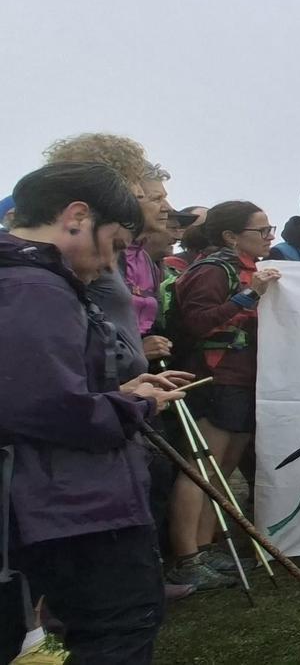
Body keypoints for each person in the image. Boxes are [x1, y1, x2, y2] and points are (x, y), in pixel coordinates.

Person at [0, 162, 187, 663]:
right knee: (119, 628)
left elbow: (35, 387)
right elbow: (48, 408)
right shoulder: (34, 286)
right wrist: (135, 404)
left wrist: (120, 389)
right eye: (116, 243)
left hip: (52, 498)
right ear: (77, 216)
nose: (110, 263)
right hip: (70, 503)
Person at [169, 201, 282, 588]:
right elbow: (196, 322)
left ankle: (207, 545)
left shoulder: (248, 269)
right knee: (201, 466)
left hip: (244, 376)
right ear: (232, 236)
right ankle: (187, 556)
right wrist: (250, 296)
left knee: (224, 466)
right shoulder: (213, 269)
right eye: (262, 231)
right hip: (215, 376)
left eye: (270, 229)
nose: (270, 237)